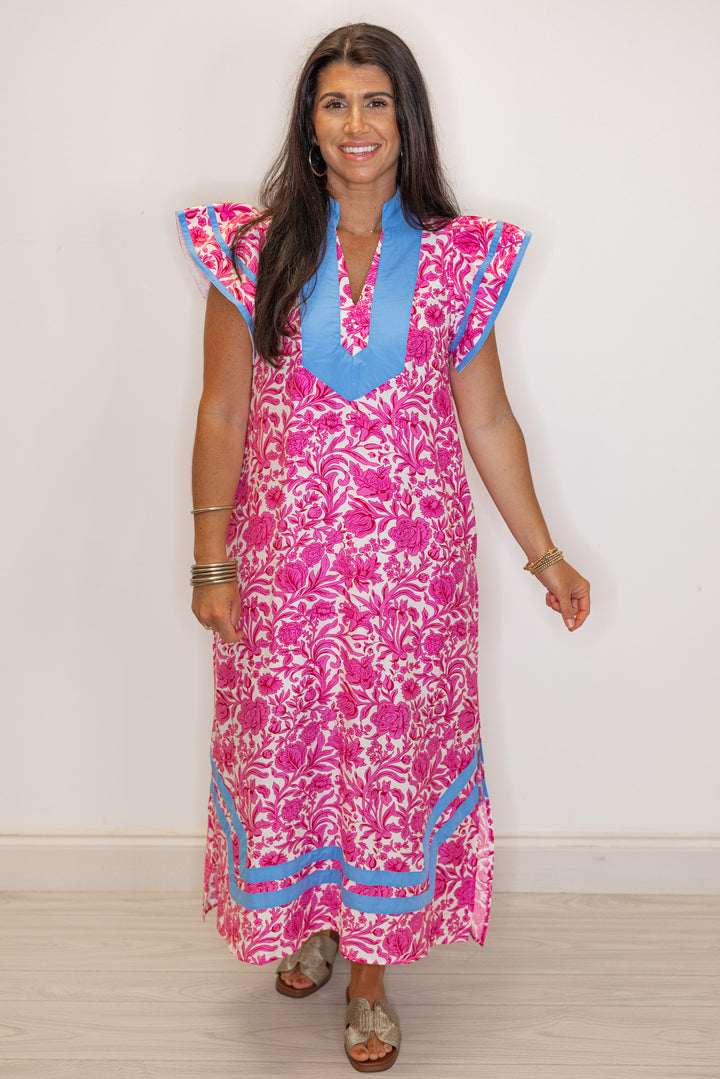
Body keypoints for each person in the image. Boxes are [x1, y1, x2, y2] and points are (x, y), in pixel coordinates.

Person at [177, 22, 590, 1072]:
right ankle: (311, 921)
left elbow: (487, 419)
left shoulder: (459, 258)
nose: (356, 123)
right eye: (335, 103)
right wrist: (212, 560)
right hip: (285, 570)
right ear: (308, 122)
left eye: (375, 101)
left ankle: (371, 973)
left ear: (407, 118)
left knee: (388, 764)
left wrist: (545, 553)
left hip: (413, 579)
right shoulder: (252, 249)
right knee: (293, 750)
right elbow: (223, 411)